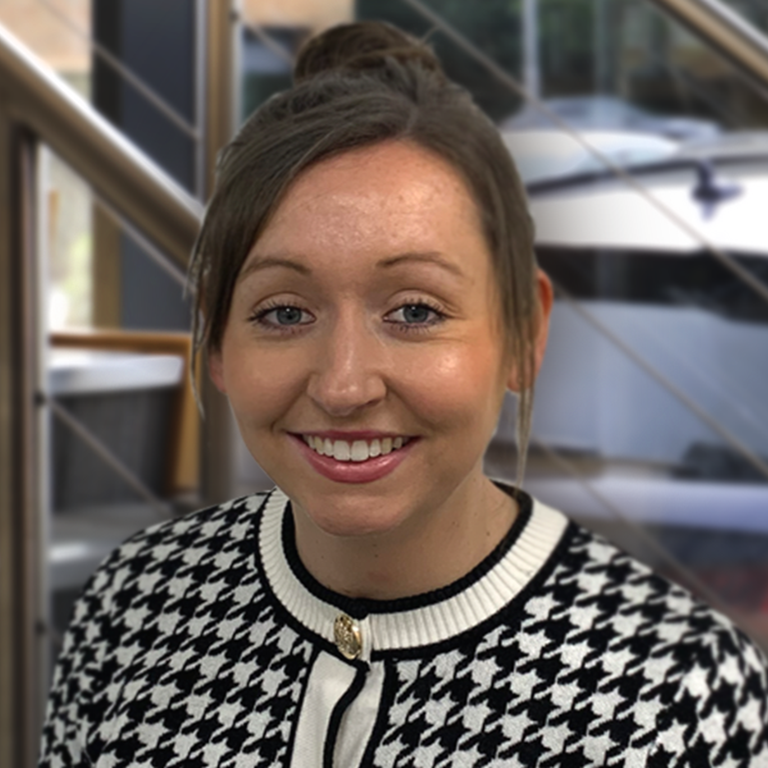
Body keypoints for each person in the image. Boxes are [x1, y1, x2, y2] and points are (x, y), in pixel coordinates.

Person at [40, 21, 768, 768]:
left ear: (524, 335)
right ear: (217, 340)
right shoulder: (136, 600)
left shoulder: (675, 689)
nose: (344, 385)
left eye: (415, 311)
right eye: (283, 313)